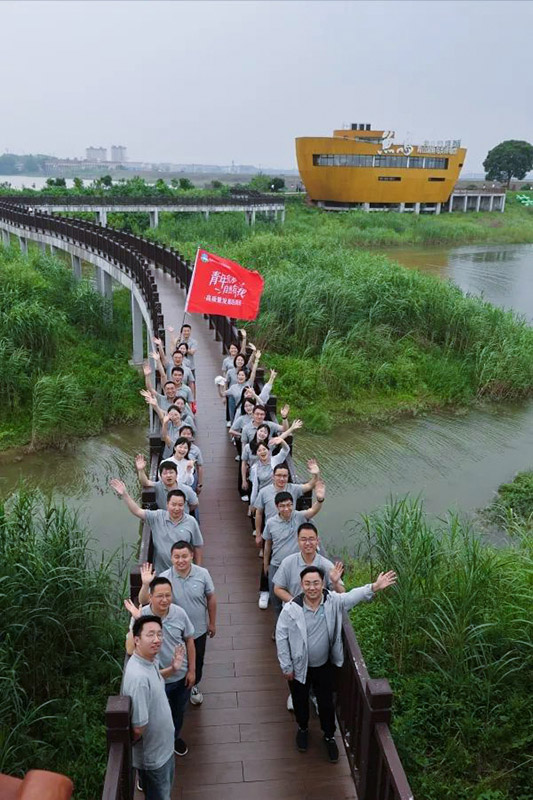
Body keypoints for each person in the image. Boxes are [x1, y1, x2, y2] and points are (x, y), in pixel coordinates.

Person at [275, 565, 397, 762]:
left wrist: (374, 587)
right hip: (299, 666)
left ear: (322, 584)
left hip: (324, 665)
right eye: (307, 583)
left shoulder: (332, 601)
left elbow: (351, 596)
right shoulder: (291, 609)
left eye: (316, 583)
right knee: (300, 700)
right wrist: (286, 666)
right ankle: (303, 729)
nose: (312, 587)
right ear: (301, 585)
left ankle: (329, 736)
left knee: (326, 703)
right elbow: (281, 638)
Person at [139, 541, 216, 707]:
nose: (181, 560)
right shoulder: (165, 578)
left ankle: (193, 684)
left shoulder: (203, 574)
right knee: (174, 659)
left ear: (191, 556)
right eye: (176, 557)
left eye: (184, 556)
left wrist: (212, 622)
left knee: (198, 659)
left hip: (198, 629)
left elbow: (211, 598)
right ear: (171, 558)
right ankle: (174, 689)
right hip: (173, 630)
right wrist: (146, 584)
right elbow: (145, 600)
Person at [125, 577, 195, 757]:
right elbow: (130, 649)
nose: (164, 600)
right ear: (150, 596)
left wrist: (191, 670)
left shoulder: (179, 613)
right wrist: (137, 620)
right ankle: (151, 753)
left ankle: (174, 738)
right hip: (155, 679)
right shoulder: (142, 616)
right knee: (154, 717)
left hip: (178, 675)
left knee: (178, 711)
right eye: (159, 596)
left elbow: (190, 640)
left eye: (168, 595)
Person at [123, 614, 181, 800]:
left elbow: (155, 681)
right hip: (153, 758)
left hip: (164, 749)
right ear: (137, 640)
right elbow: (138, 728)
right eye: (150, 635)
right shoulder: (138, 678)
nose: (157, 639)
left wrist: (172, 669)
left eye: (159, 634)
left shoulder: (150, 661)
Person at [254, 459, 320, 610]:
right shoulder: (265, 492)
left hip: (290, 530)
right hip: (272, 530)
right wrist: (258, 533)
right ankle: (265, 591)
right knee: (268, 562)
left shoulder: (293, 489)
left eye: (285, 475)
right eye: (279, 475)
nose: (282, 478)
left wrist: (316, 474)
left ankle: (289, 599)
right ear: (273, 476)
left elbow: (310, 485)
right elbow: (259, 513)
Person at [109, 481, 204, 572]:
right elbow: (137, 511)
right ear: (167, 504)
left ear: (184, 506)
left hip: (184, 572)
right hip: (162, 574)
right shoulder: (157, 517)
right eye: (173, 504)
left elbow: (197, 546)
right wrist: (125, 494)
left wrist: (197, 570)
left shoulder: (191, 522)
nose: (177, 508)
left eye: (180, 505)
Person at [263, 484, 326, 619]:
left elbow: (313, 510)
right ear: (277, 507)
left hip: (294, 567)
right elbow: (267, 544)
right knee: (275, 600)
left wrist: (320, 499)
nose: (286, 509)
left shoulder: (299, 516)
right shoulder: (271, 523)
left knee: (296, 597)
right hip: (276, 564)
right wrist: (265, 564)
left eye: (289, 505)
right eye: (282, 506)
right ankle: (278, 626)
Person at [177, 425, 204, 495]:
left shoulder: (196, 450)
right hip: (178, 474)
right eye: (184, 434)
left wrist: (200, 484)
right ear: (179, 435)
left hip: (191, 475)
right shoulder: (175, 447)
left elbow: (199, 467)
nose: (186, 436)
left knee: (191, 496)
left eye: (188, 434)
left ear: (192, 435)